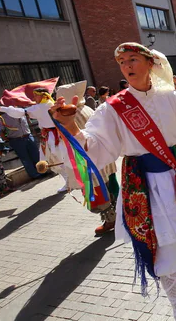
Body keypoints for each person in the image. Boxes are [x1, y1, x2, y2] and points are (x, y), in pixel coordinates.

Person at [51, 42, 176, 321]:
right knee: (163, 246)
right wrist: (70, 126)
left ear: (150, 63)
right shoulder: (113, 108)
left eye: (132, 59)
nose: (127, 66)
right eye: (122, 63)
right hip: (144, 186)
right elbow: (96, 148)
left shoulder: (172, 98)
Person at [56, 81, 120, 236]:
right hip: (103, 156)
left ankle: (112, 220)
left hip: (91, 161)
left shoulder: (72, 114)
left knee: (101, 191)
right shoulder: (87, 108)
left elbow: (77, 140)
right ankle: (120, 214)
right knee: (111, 186)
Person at [0, 87, 69, 192]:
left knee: (56, 159)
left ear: (42, 95)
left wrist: (2, 109)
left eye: (36, 95)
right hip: (56, 135)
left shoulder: (41, 107)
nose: (34, 98)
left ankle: (69, 181)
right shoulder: (51, 103)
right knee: (60, 158)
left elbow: (20, 112)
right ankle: (70, 181)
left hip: (52, 137)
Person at [0, 97, 42, 180]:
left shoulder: (22, 112)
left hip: (28, 136)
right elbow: (1, 131)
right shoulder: (2, 118)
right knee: (25, 158)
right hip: (16, 140)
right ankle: (34, 175)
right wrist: (7, 139)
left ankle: (42, 171)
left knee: (36, 155)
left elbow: (28, 122)